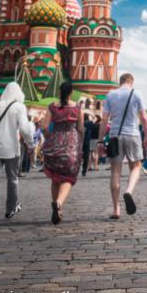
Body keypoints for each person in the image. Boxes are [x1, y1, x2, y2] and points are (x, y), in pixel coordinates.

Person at [0, 82, 33, 226]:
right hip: (11, 150)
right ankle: (11, 208)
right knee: (13, 180)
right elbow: (24, 128)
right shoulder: (19, 107)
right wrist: (30, 144)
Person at [101, 73, 147, 219]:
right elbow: (143, 118)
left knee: (115, 170)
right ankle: (128, 191)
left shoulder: (110, 95)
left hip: (115, 135)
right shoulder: (136, 94)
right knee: (136, 166)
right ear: (131, 82)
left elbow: (104, 119)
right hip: (133, 134)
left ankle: (116, 209)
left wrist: (100, 140)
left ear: (120, 82)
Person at [41, 82, 84, 224]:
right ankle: (59, 203)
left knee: (55, 177)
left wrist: (50, 139)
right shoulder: (77, 108)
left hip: (55, 143)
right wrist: (80, 144)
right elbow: (80, 128)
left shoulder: (52, 106)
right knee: (68, 178)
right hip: (71, 145)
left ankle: (57, 208)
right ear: (71, 93)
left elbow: (44, 127)